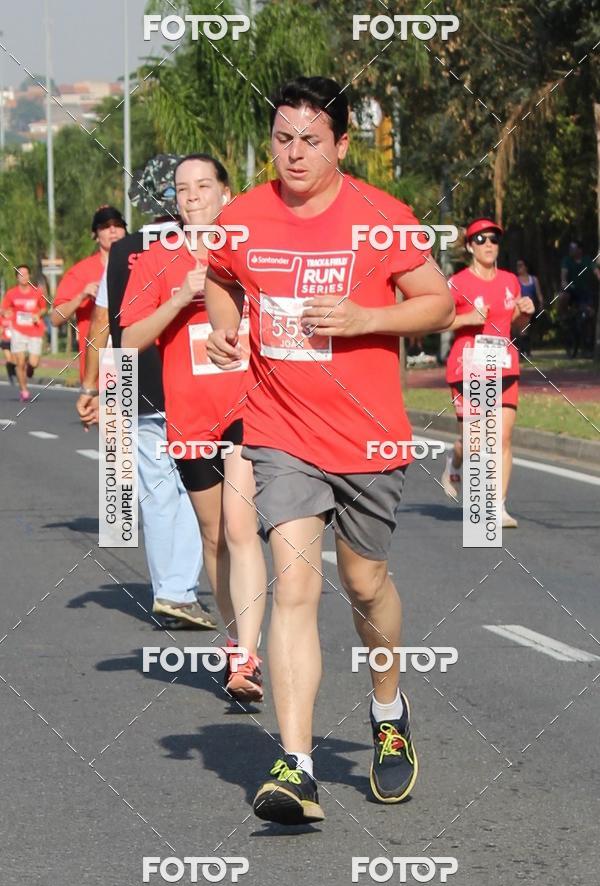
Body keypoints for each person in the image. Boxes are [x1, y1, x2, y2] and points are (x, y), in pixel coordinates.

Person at [204, 76, 454, 824]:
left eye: (311, 140)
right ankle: (297, 765)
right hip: (281, 433)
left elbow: (437, 300)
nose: (295, 153)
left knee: (366, 583)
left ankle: (388, 710)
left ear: (341, 144)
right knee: (295, 586)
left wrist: (362, 316)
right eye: (283, 139)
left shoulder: (382, 218)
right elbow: (222, 279)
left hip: (367, 435)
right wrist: (224, 323)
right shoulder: (243, 217)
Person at [120, 154, 267, 702]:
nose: (193, 196)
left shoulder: (249, 248)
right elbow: (130, 339)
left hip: (248, 408)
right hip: (188, 415)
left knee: (238, 526)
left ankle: (248, 658)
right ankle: (235, 646)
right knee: (213, 538)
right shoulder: (157, 257)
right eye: (183, 189)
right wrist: (183, 294)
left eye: (204, 186)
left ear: (225, 193)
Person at [76, 155, 215, 631]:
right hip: (191, 381)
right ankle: (181, 590)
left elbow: (103, 324)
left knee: (158, 493)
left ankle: (170, 592)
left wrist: (95, 387)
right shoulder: (198, 246)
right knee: (198, 490)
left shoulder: (121, 253)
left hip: (134, 382)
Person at [441, 219, 534, 527]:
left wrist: (525, 314)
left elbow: (517, 328)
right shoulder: (458, 283)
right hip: (468, 366)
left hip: (504, 363)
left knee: (503, 437)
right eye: (480, 239)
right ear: (470, 246)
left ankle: (497, 506)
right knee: (475, 442)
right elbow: (438, 322)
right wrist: (467, 318)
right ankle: (456, 458)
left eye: (493, 239)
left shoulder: (510, 281)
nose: (488, 244)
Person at [51, 206, 127, 380]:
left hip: (131, 359)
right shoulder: (80, 272)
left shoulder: (140, 264)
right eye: (106, 226)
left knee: (127, 406)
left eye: (118, 224)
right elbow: (55, 318)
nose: (113, 230)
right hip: (98, 364)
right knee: (107, 407)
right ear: (95, 235)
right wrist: (82, 296)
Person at [1, 265, 47, 401]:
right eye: (21, 274)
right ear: (17, 277)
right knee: (19, 363)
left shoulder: (37, 292)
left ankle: (30, 368)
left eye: (26, 274)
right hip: (18, 331)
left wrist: (38, 315)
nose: (24, 277)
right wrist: (6, 312)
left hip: (35, 330)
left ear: (29, 276)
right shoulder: (11, 293)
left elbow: (44, 309)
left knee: (33, 363)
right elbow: (3, 309)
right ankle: (24, 390)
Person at [559, 241, 599, 357]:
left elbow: (596, 271)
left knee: (590, 314)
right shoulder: (566, 260)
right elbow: (563, 276)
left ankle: (587, 345)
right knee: (563, 296)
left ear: (580, 250)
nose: (571, 250)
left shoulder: (587, 260)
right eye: (570, 248)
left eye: (574, 248)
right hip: (571, 290)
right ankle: (564, 316)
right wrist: (565, 284)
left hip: (584, 292)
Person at [515, 259, 544, 356]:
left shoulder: (534, 279)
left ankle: (525, 349)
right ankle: (524, 351)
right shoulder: (516, 280)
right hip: (521, 308)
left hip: (532, 308)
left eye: (521, 265)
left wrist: (541, 303)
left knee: (528, 329)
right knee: (524, 328)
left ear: (526, 267)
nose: (519, 267)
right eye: (518, 265)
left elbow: (538, 294)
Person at [0, 304, 16, 385]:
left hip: (14, 341)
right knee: (8, 359)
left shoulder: (13, 317)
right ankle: (11, 375)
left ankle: (13, 372)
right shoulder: (1, 318)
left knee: (14, 360)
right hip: (5, 341)